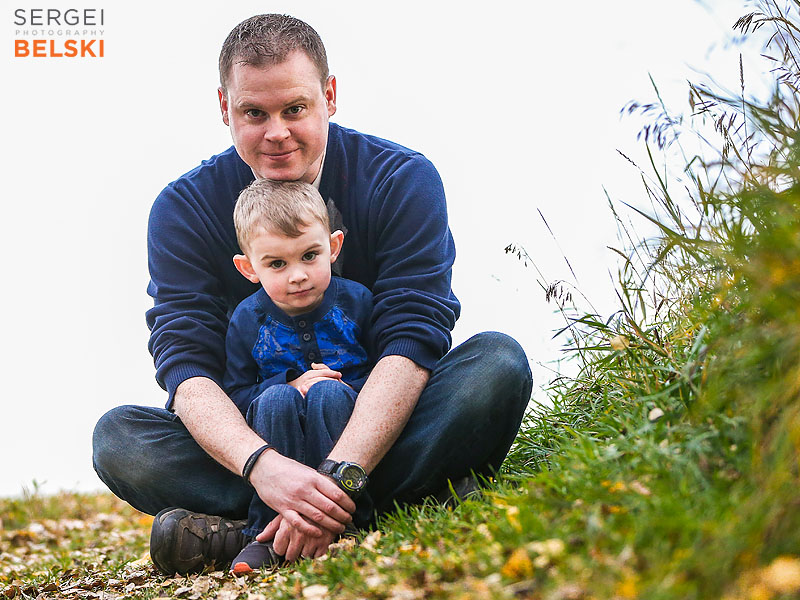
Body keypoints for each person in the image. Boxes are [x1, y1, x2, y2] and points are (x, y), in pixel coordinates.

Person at [92, 13, 532, 575]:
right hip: (258, 440)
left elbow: (414, 334)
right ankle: (389, 508)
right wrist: (265, 468)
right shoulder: (183, 209)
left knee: (495, 364)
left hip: (377, 428)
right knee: (120, 440)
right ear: (226, 110)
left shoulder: (401, 178)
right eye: (255, 113)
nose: (277, 132)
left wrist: (340, 471)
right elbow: (186, 365)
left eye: (294, 109)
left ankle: (258, 536)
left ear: (328, 96)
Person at [225, 178, 374, 572]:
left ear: (334, 246)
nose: (298, 275)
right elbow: (236, 395)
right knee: (275, 399)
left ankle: (350, 522)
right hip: (279, 437)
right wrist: (286, 384)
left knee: (328, 394)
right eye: (277, 264)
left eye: (310, 256)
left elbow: (386, 381)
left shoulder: (357, 302)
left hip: (346, 429)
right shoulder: (246, 320)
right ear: (248, 268)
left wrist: (344, 384)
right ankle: (265, 534)